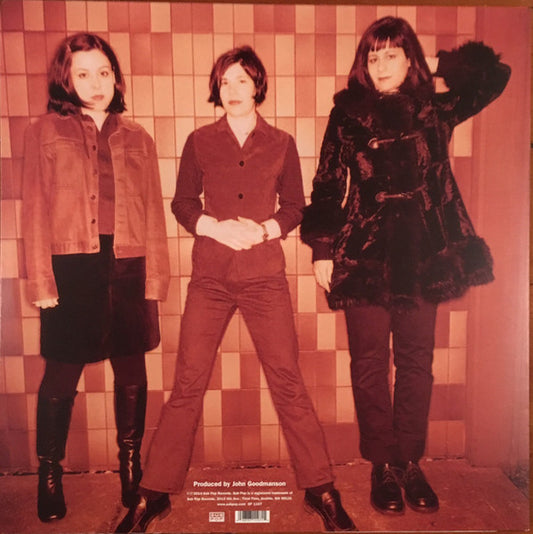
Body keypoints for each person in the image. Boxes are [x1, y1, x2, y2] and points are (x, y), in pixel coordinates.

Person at [115, 46, 355, 533]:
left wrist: (265, 230)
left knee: (288, 381)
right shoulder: (200, 140)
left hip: (265, 277)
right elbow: (183, 202)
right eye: (225, 82)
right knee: (188, 383)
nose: (233, 90)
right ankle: (153, 493)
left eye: (242, 80)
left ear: (257, 86)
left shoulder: (281, 143)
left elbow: (295, 206)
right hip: (211, 278)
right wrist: (213, 226)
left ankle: (321, 488)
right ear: (217, 89)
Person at [300, 16, 510, 516]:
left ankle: (409, 462)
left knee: (416, 363)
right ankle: (382, 465)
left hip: (421, 256)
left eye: (392, 54)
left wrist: (436, 65)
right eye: (372, 56)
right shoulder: (347, 115)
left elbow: (494, 76)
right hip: (364, 255)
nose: (380, 65)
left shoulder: (433, 108)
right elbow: (327, 184)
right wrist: (322, 250)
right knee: (369, 365)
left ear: (410, 59)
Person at [22, 33, 170, 523]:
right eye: (82, 73)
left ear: (116, 77)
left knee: (132, 367)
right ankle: (49, 472)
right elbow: (35, 210)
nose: (95, 82)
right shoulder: (44, 132)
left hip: (129, 261)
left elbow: (153, 212)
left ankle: (131, 465)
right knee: (62, 371)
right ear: (65, 79)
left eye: (104, 72)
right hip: (72, 266)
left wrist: (156, 280)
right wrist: (42, 283)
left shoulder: (139, 138)